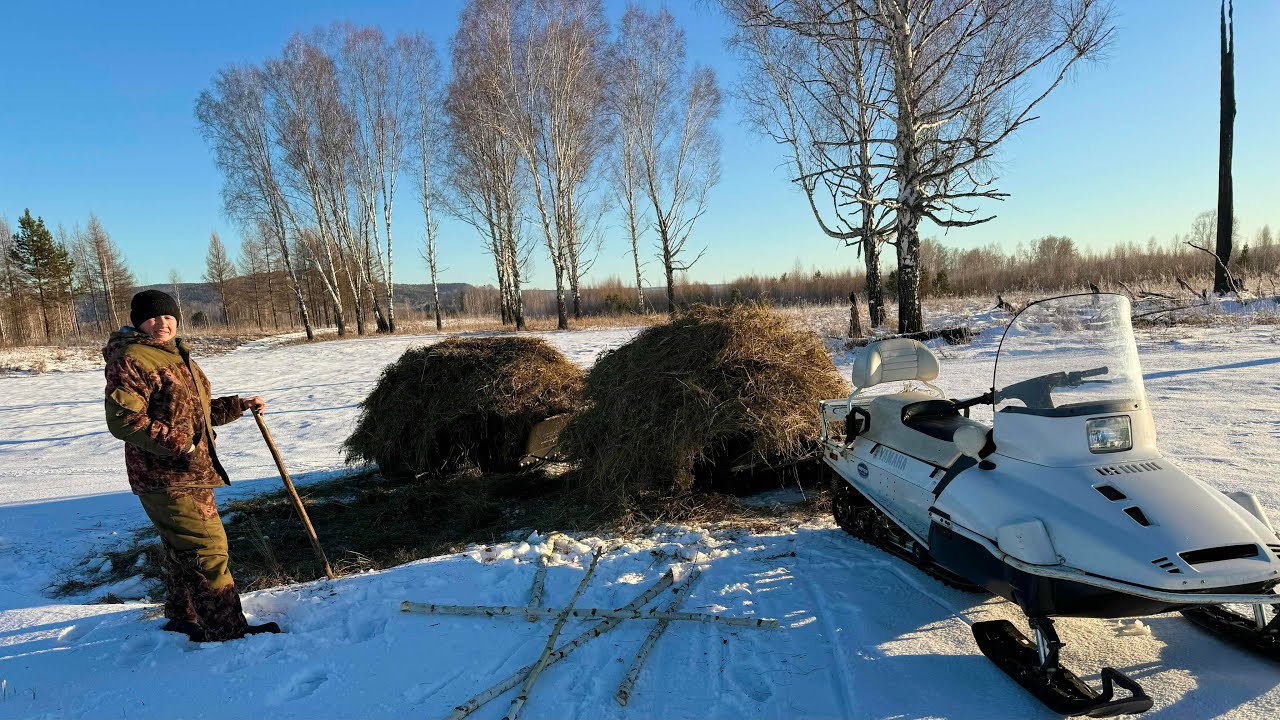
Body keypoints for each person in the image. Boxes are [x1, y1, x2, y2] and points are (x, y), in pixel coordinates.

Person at [102, 289, 280, 642]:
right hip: (167, 475)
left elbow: (194, 412)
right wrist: (180, 443)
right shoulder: (133, 358)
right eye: (153, 317)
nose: (162, 323)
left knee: (182, 548)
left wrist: (239, 405)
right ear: (139, 321)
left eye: (168, 316)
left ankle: (183, 616)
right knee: (208, 549)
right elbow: (122, 418)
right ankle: (227, 629)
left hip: (189, 473)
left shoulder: (171, 355)